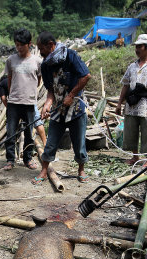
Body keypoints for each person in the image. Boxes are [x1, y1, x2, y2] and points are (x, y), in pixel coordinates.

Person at [33, 31, 91, 184]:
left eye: (41, 49)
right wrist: (47, 105)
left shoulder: (70, 56)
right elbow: (51, 90)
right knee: (51, 141)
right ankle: (44, 170)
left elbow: (86, 76)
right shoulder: (46, 65)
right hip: (58, 108)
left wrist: (71, 95)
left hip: (76, 108)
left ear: (51, 45)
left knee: (79, 143)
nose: (40, 53)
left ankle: (81, 169)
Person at [116, 34, 147, 167]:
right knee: (131, 130)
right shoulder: (132, 66)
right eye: (136, 46)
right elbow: (125, 84)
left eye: (140, 46)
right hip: (132, 104)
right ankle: (134, 156)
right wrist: (120, 103)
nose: (137, 49)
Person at [3, 28, 42, 170]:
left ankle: (28, 159)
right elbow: (9, 80)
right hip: (13, 102)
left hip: (29, 102)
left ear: (29, 44)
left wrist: (29, 92)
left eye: (21, 45)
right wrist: (12, 94)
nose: (18, 48)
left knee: (29, 134)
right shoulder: (11, 60)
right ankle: (10, 160)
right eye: (16, 44)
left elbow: (38, 80)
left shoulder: (37, 61)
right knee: (10, 133)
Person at [0, 74, 47, 146]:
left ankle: (12, 149)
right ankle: (45, 143)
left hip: (14, 105)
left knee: (11, 127)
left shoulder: (2, 84)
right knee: (37, 122)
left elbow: (3, 98)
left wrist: (9, 108)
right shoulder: (18, 79)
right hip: (29, 102)